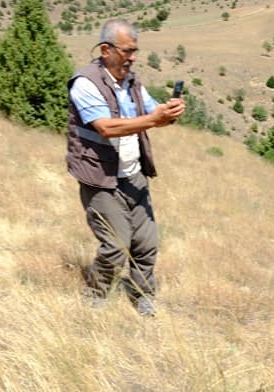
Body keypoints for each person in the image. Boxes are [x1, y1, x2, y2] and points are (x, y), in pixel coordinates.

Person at [66, 19, 185, 316]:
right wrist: (154, 120)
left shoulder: (132, 81)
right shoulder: (85, 83)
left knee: (146, 243)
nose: (132, 57)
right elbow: (106, 127)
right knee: (116, 246)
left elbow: (150, 111)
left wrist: (168, 113)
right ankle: (96, 294)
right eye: (127, 51)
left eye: (135, 51)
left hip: (134, 175)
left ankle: (142, 295)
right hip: (101, 179)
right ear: (106, 50)